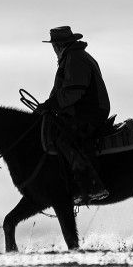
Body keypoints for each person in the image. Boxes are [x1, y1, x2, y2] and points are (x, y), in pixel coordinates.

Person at [36, 26, 110, 203]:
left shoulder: (75, 58)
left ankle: (93, 184)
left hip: (90, 112)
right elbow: (59, 92)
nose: (53, 49)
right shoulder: (71, 58)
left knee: (65, 139)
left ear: (59, 45)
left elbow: (74, 91)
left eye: (54, 45)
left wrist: (50, 105)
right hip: (80, 111)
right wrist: (47, 106)